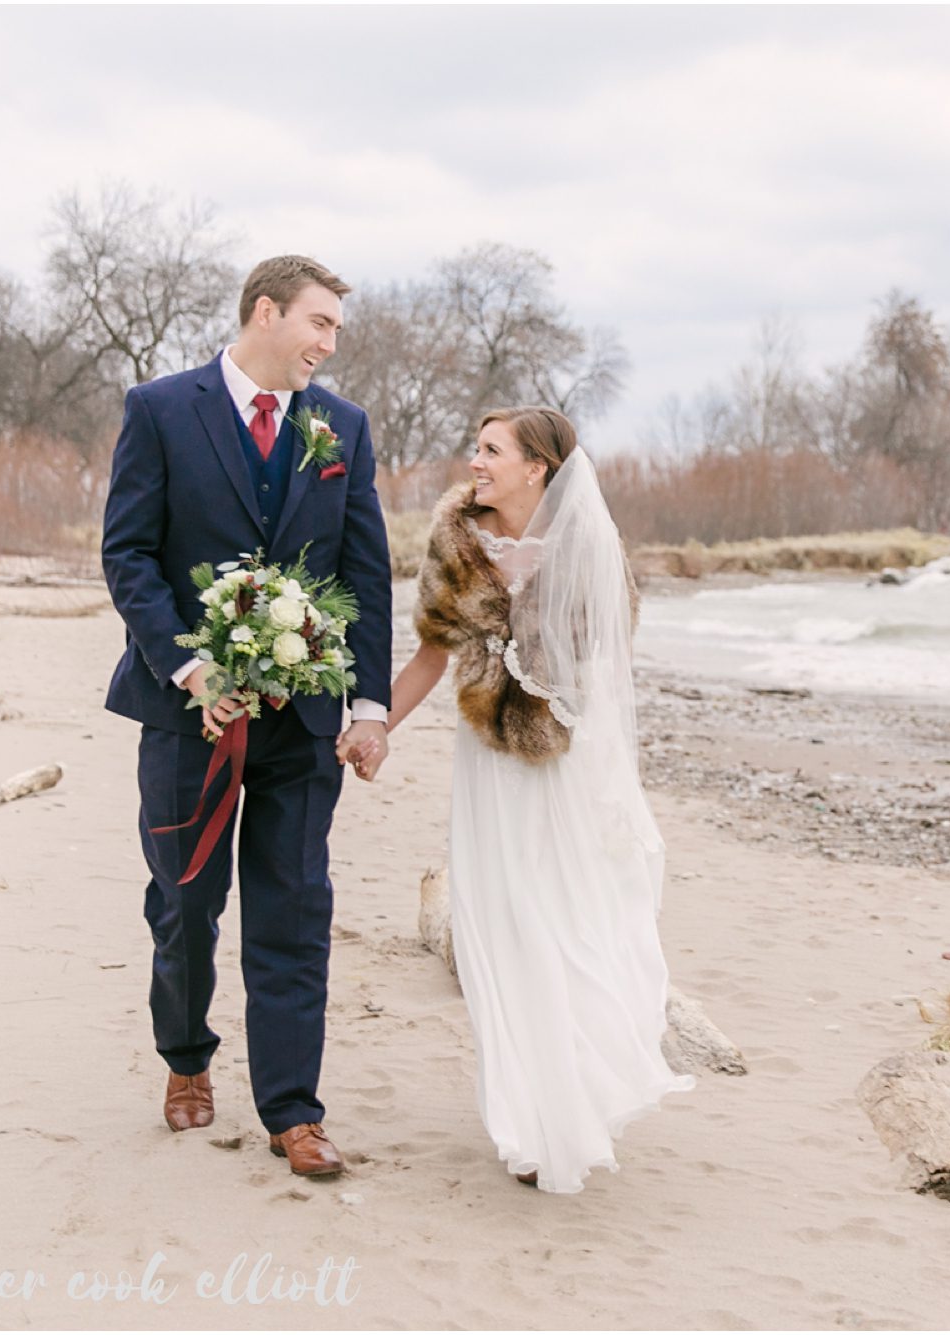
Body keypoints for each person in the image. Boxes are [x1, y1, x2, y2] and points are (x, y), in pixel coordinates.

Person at [100, 254, 393, 1178]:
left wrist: (371, 702)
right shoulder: (159, 409)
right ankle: (186, 1057)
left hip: (302, 722)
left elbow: (365, 572)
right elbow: (129, 555)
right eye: (319, 323)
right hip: (188, 713)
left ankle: (292, 1111)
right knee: (185, 906)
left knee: (295, 909)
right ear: (266, 313)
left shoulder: (341, 426)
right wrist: (187, 665)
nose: (328, 343)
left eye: (336, 330)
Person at [353, 405, 693, 1192]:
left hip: (564, 762)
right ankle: (528, 1119)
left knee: (568, 924)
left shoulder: (589, 546)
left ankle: (579, 1098)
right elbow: (431, 656)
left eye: (491, 450)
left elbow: (607, 665)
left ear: (538, 466)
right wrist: (378, 728)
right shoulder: (455, 540)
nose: (475, 462)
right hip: (488, 768)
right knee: (499, 929)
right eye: (476, 448)